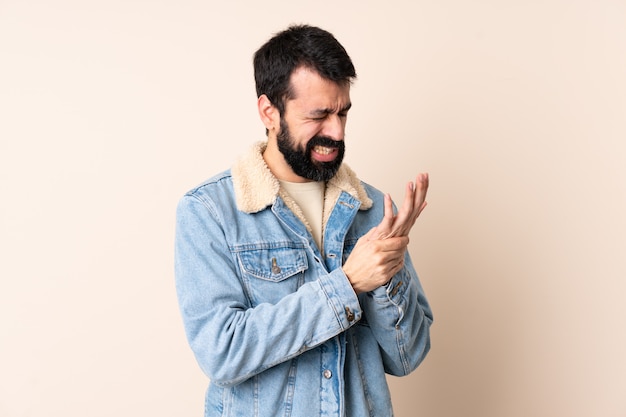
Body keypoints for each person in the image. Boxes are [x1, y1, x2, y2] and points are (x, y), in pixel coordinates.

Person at [175, 24, 433, 417]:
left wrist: (387, 275)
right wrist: (347, 285)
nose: (337, 131)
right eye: (319, 115)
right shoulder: (209, 212)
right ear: (269, 111)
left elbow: (406, 358)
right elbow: (222, 351)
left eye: (343, 112)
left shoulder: (374, 210)